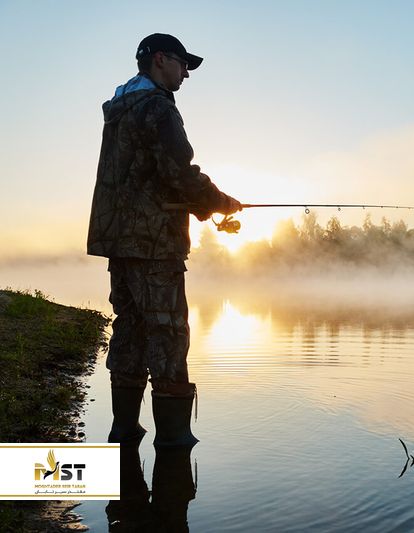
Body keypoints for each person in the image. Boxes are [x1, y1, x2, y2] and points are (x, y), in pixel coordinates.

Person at [87, 33, 241, 447]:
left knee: (130, 328)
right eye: (182, 63)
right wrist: (221, 202)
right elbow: (179, 173)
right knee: (169, 332)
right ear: (159, 60)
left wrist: (203, 206)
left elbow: (148, 177)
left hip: (119, 239)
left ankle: (124, 430)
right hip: (155, 243)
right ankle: (173, 443)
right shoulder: (157, 107)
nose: (186, 72)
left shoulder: (121, 109)